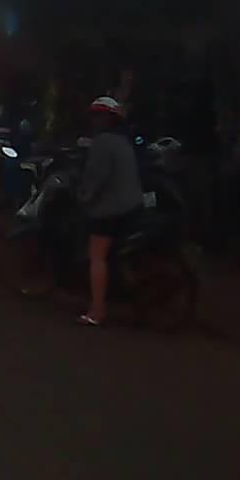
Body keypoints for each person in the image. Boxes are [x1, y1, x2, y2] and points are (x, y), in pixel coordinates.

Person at [76, 96, 144, 326]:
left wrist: (83, 198)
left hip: (111, 209)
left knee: (97, 256)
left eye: (99, 116)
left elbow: (96, 178)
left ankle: (97, 310)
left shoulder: (103, 143)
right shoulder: (123, 141)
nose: (95, 120)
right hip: (131, 206)